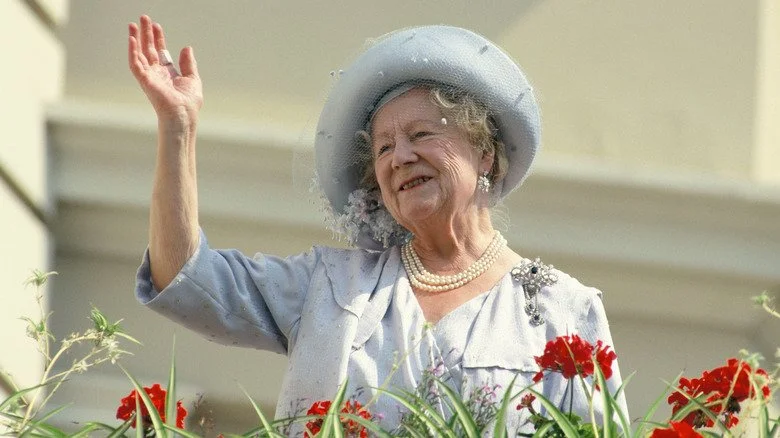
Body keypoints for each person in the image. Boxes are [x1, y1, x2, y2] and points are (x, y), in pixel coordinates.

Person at [128, 15, 628, 435]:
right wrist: (178, 128)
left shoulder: (563, 310)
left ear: (484, 152)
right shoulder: (327, 286)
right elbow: (187, 281)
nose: (400, 157)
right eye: (384, 147)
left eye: (421, 134)